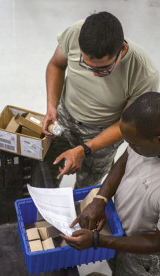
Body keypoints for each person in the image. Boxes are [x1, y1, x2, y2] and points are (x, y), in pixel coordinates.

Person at [42, 11, 159, 189]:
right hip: (64, 116)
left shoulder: (142, 73)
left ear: (123, 50)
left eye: (103, 69)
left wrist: (86, 149)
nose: (95, 75)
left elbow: (126, 124)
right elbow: (56, 65)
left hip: (102, 134)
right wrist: (52, 107)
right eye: (86, 65)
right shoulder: (75, 33)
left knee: (87, 184)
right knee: (48, 169)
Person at [61, 92, 160, 275]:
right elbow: (123, 161)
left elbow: (156, 242)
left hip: (143, 258)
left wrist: (99, 241)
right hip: (118, 231)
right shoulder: (143, 142)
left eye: (134, 144)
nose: (130, 147)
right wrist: (100, 199)